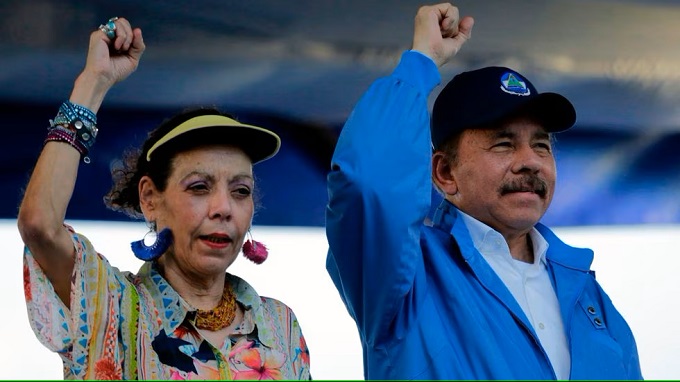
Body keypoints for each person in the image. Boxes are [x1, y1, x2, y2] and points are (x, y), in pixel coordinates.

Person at [325, 3, 642, 380]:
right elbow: (369, 181)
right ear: (445, 173)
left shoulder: (587, 295)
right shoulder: (405, 279)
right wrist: (420, 61)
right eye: (504, 144)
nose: (531, 162)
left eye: (541, 145)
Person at [18, 17, 310, 380]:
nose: (223, 209)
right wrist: (94, 82)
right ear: (150, 199)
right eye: (199, 187)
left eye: (240, 191)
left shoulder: (280, 324)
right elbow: (40, 225)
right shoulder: (111, 307)